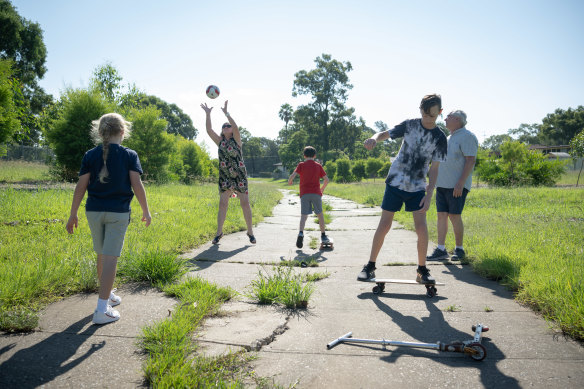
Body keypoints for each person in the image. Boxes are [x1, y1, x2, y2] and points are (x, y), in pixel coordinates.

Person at [66, 113, 151, 325]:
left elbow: (80, 186)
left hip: (93, 211)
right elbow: (137, 185)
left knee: (102, 254)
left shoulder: (89, 155)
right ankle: (101, 309)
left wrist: (73, 213)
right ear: (122, 132)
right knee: (111, 257)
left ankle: (108, 294)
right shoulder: (129, 155)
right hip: (117, 213)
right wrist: (145, 210)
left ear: (100, 132)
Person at [357, 94, 447, 283]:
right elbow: (385, 134)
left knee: (421, 228)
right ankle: (370, 266)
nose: (428, 119)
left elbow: (435, 168)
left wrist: (429, 194)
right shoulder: (410, 125)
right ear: (420, 110)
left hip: (417, 188)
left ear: (440, 112)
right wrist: (374, 138)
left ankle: (422, 270)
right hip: (395, 182)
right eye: (425, 114)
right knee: (385, 225)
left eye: (432, 116)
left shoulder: (440, 137)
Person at [200, 100, 256, 245]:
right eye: (224, 126)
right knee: (223, 204)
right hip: (225, 176)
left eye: (228, 126)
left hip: (239, 175)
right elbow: (208, 130)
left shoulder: (237, 140)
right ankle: (219, 233)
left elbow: (236, 127)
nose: (226, 127)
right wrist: (208, 114)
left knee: (245, 203)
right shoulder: (220, 142)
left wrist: (227, 114)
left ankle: (250, 231)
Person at [426, 110, 478, 261]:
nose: (445, 119)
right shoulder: (449, 137)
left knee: (454, 216)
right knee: (441, 215)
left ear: (457, 119)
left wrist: (461, 183)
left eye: (448, 116)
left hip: (456, 186)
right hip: (441, 185)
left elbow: (470, 161)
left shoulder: (467, 136)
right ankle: (441, 249)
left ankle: (459, 249)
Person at [288, 146, 330, 248]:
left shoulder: (301, 165)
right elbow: (326, 180)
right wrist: (322, 189)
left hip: (304, 194)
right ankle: (323, 235)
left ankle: (301, 233)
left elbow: (292, 176)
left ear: (304, 155)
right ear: (315, 156)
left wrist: (290, 181)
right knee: (320, 214)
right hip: (316, 193)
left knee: (304, 216)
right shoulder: (318, 166)